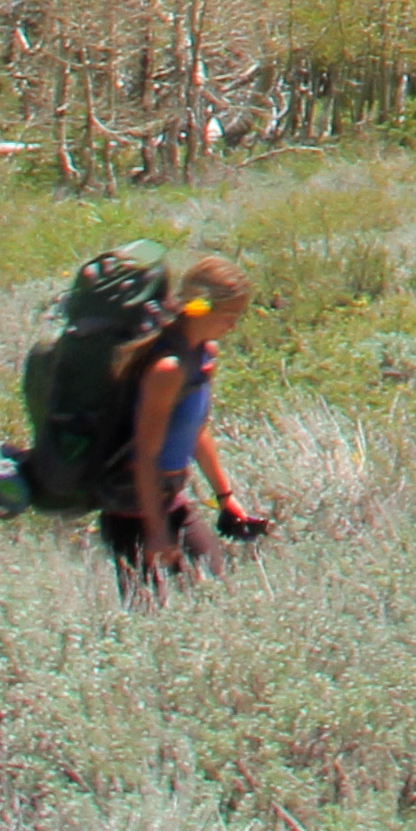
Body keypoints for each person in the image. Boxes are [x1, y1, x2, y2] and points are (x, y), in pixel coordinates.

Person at [106, 253, 269, 595]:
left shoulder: (203, 354)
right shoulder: (168, 369)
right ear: (204, 308)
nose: (235, 324)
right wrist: (155, 532)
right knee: (148, 616)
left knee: (216, 589)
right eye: (231, 315)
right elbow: (145, 458)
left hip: (170, 499)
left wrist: (226, 498)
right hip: (132, 507)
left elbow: (196, 428)